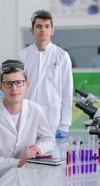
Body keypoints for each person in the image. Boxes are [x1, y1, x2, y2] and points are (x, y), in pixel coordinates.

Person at [19, 10, 73, 138]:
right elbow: (19, 89)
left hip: (52, 120)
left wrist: (65, 124)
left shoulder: (62, 56)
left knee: (52, 156)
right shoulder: (23, 56)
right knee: (27, 156)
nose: (43, 30)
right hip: (27, 118)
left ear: (52, 30)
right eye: (38, 26)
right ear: (32, 30)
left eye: (47, 26)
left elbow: (67, 91)